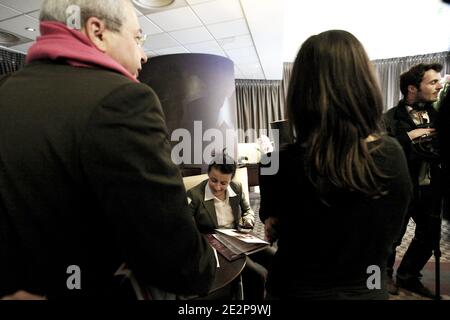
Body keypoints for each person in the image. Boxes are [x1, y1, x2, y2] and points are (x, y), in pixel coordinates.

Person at [0, 0, 215, 299]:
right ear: (98, 32)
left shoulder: (5, 88)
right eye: (138, 38)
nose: (143, 55)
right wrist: (208, 263)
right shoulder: (123, 100)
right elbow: (175, 257)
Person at [259, 30, 412, 300]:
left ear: (300, 92)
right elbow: (391, 232)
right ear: (365, 83)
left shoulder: (276, 163)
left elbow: (271, 229)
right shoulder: (394, 155)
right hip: (368, 289)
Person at [383, 63, 444, 298]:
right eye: (432, 82)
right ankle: (384, 274)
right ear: (411, 88)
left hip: (431, 188)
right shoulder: (389, 118)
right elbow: (382, 151)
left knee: (430, 236)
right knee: (392, 236)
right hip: (400, 187)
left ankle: (408, 275)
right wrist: (409, 136)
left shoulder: (438, 116)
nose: (439, 86)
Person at [187, 153, 275, 300]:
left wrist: (247, 219)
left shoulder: (237, 187)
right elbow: (186, 226)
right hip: (217, 244)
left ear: (231, 179)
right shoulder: (195, 194)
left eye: (223, 183)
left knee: (276, 258)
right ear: (208, 173)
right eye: (213, 180)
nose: (217, 187)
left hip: (239, 235)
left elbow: (248, 211)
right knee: (257, 275)